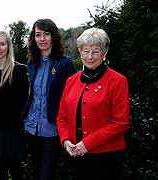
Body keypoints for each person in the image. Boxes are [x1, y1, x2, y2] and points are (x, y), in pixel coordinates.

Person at [56, 28, 130, 180]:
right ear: (79, 51)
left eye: (95, 52)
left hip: (107, 157)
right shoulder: (71, 81)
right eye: (85, 51)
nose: (89, 57)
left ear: (105, 53)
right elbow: (62, 117)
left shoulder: (118, 81)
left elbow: (121, 123)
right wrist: (66, 141)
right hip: (76, 155)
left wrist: (87, 144)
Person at [22, 19, 76, 180]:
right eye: (38, 35)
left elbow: (71, 97)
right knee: (34, 172)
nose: (42, 39)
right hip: (31, 127)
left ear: (53, 37)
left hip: (52, 129)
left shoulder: (65, 64)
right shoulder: (32, 63)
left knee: (46, 175)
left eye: (46, 34)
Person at [0, 31, 29, 180]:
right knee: (0, 171)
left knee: (16, 171)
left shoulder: (19, 70)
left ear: (8, 46)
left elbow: (24, 102)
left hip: (13, 129)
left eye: (2, 44)